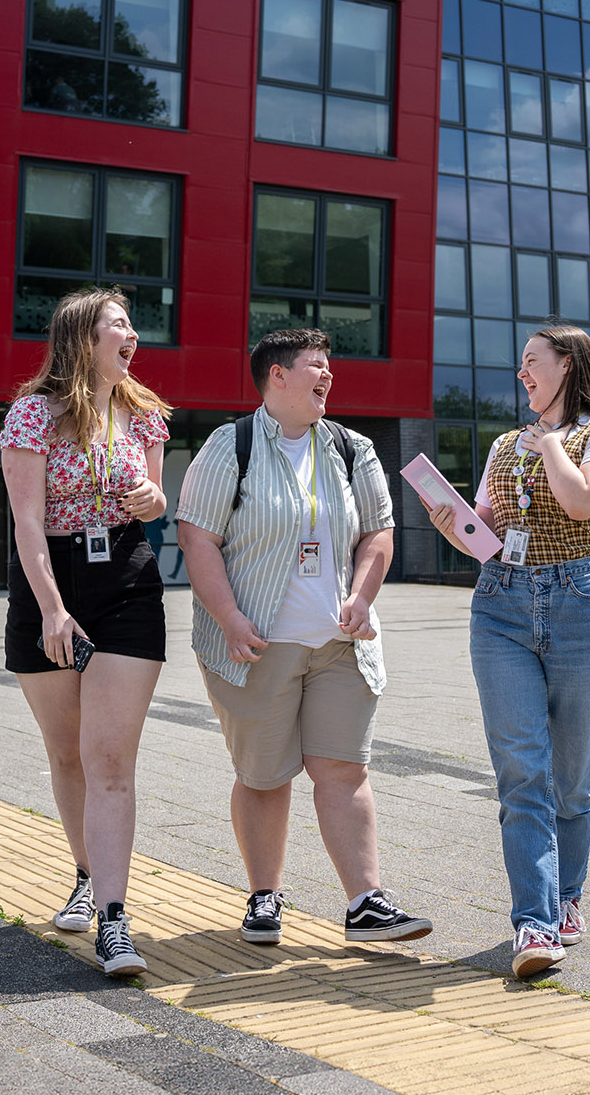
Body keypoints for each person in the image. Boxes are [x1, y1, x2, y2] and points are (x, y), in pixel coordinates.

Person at [177, 329, 431, 947]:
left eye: (329, 367)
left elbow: (378, 531)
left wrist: (362, 598)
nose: (328, 377)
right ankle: (264, 896)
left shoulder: (351, 447)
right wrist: (229, 617)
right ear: (278, 376)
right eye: (316, 366)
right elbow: (197, 537)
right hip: (255, 644)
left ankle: (366, 903)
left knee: (344, 768)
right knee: (264, 776)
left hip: (340, 645)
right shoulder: (229, 445)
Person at [428, 325, 590, 979]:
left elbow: (581, 500)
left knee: (572, 777)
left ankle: (567, 897)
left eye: (532, 361)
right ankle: (534, 923)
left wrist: (551, 445)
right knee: (521, 771)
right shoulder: (502, 445)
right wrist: (453, 524)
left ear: (567, 365)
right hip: (501, 606)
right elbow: (485, 535)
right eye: (520, 364)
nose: (522, 373)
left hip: (576, 603)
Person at [0, 287, 172, 977]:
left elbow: (154, 501)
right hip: (49, 584)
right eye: (118, 325)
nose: (132, 336)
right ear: (82, 337)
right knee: (68, 754)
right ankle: (84, 873)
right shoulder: (32, 415)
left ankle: (114, 920)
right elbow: (27, 522)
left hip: (126, 579)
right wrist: (51, 609)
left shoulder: (145, 413)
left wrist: (153, 499)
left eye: (132, 326)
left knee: (109, 760)